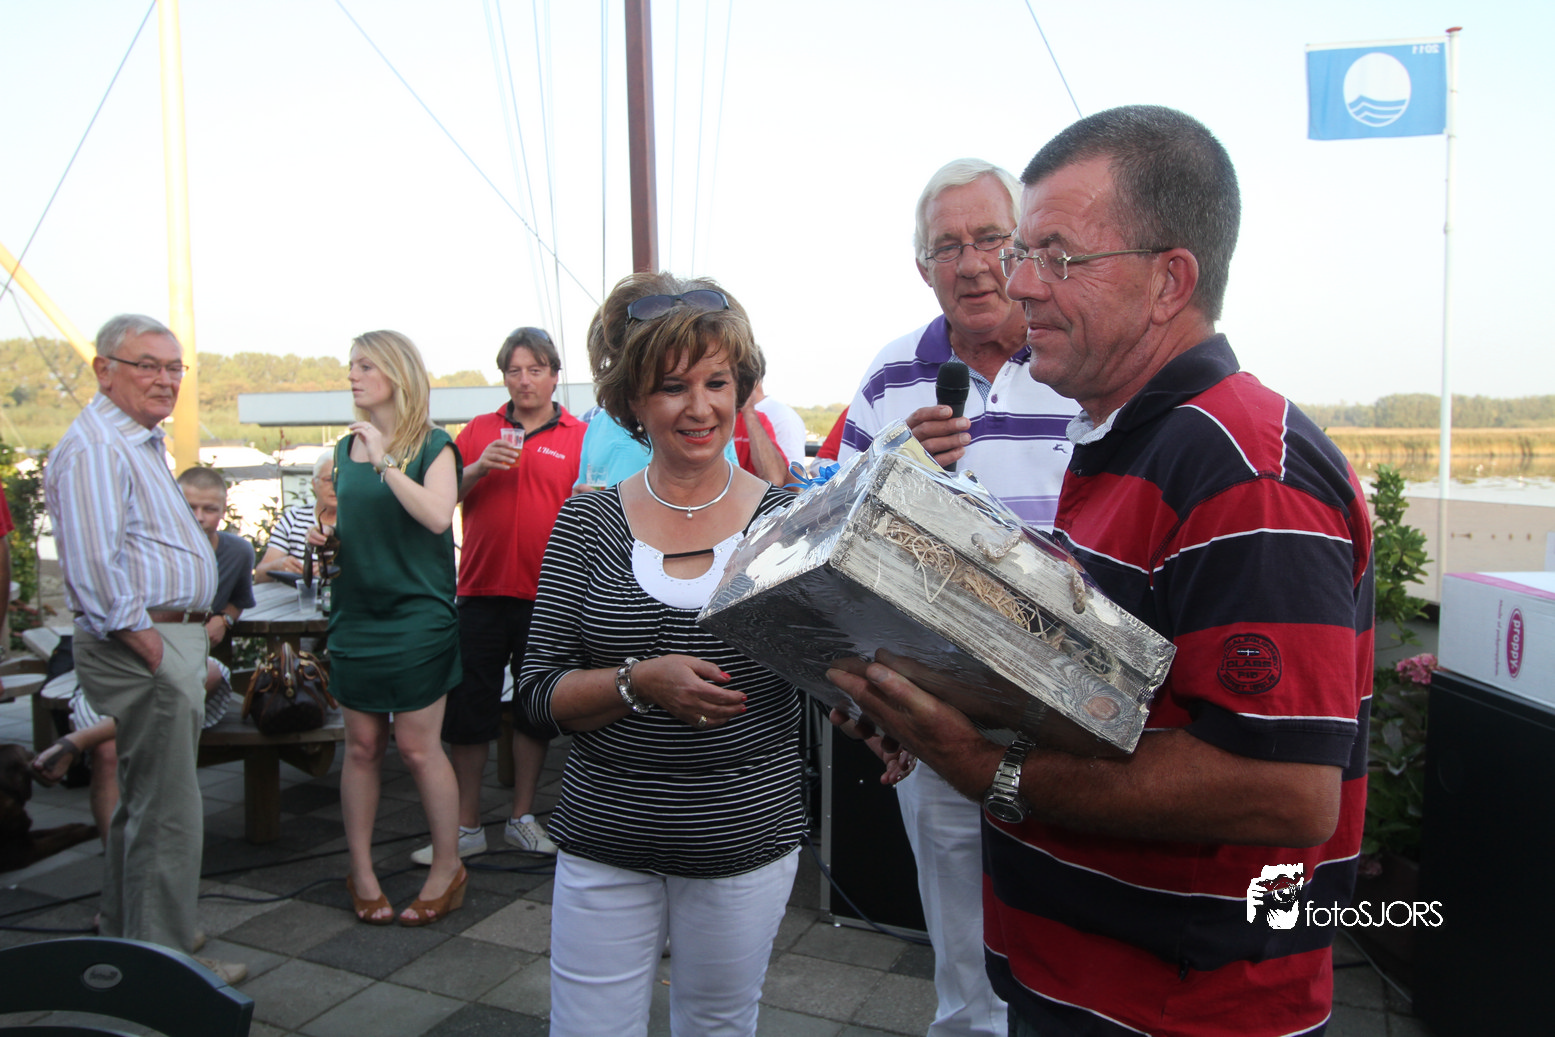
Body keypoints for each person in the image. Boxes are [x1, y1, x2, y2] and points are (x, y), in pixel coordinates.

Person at [829, 106, 1372, 1037]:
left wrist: (987, 768)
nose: (1016, 283)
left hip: (1179, 1007)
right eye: (1020, 254)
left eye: (1054, 256)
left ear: (1169, 281)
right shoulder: (1128, 441)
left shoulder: (1243, 469)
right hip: (1092, 981)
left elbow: (1280, 788)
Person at [518, 272, 803, 1037]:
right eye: (673, 386)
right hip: (604, 836)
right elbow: (536, 695)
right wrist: (636, 681)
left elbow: (831, 672)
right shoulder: (586, 524)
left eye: (717, 382)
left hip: (744, 836)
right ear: (633, 401)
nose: (699, 406)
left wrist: (878, 711)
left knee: (718, 1023)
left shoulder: (786, 522)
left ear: (741, 388)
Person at [835, 158, 1078, 1037]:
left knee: (1078, 936)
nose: (972, 263)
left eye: (990, 239)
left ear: (1025, 249)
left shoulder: (1077, 357)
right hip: (938, 713)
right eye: (948, 246)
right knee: (963, 958)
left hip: (1074, 710)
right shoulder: (888, 375)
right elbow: (830, 529)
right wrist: (889, 469)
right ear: (921, 267)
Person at [42, 313, 245, 983]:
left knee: (146, 803)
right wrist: (155, 649)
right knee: (167, 813)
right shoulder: (99, 447)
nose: (165, 379)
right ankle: (164, 970)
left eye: (174, 367)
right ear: (104, 370)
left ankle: (129, 938)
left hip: (161, 637)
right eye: (147, 365)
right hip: (145, 641)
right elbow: (94, 566)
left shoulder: (134, 440)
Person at [408, 326, 586, 866]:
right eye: (514, 370)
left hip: (547, 594)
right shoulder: (478, 431)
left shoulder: (579, 436)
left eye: (535, 369)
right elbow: (440, 501)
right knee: (470, 711)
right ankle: (465, 825)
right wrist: (478, 466)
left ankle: (521, 817)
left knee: (534, 711)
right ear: (504, 376)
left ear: (554, 376)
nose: (525, 380)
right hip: (480, 590)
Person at [321, 330, 466, 926]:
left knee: (416, 747)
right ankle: (360, 871)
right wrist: (327, 533)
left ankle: (448, 867)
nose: (352, 376)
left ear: (397, 374)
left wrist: (384, 459)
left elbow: (436, 517)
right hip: (356, 614)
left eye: (364, 366)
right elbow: (354, 525)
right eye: (351, 366)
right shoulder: (341, 450)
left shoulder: (434, 446)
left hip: (417, 616)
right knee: (360, 747)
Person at [32, 467, 253, 839]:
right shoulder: (146, 549)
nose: (199, 517)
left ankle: (79, 740)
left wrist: (225, 619)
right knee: (109, 751)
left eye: (209, 509)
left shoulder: (236, 551)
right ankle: (114, 850)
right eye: (190, 507)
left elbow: (239, 598)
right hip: (127, 659)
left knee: (208, 675)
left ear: (223, 510)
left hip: (186, 665)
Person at [254, 451, 336, 583]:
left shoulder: (359, 521)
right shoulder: (294, 518)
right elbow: (260, 576)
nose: (335, 486)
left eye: (342, 479)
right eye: (328, 480)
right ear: (314, 484)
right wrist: (278, 565)